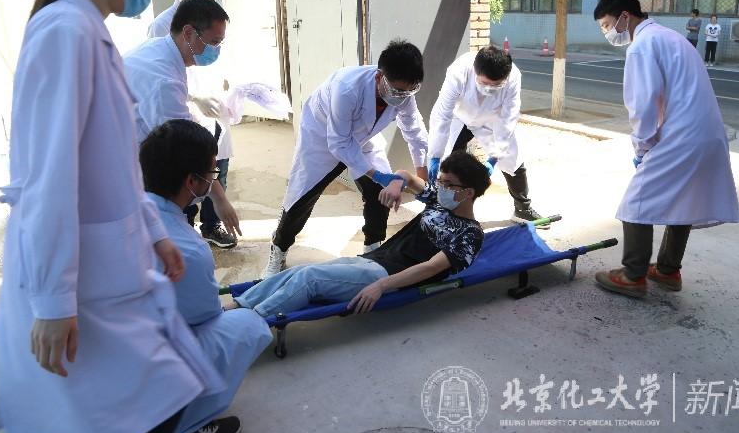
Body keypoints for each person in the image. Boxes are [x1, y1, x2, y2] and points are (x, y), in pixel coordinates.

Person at [0, 0, 225, 433]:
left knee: (152, 403)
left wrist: (154, 232)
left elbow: (118, 163)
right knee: (120, 417)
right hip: (79, 279)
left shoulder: (88, 34)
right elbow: (50, 175)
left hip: (108, 267)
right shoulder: (63, 32)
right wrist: (53, 301)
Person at [592, 0, 739, 298]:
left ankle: (633, 275)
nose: (607, 32)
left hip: (683, 134)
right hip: (707, 133)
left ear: (625, 17)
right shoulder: (671, 37)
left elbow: (643, 104)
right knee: (684, 199)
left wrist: (642, 147)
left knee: (636, 201)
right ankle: (668, 270)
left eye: (607, 25)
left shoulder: (641, 46)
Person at [140, 119, 272, 433]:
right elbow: (206, 315)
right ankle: (184, 428)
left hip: (101, 358)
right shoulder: (188, 250)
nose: (213, 180)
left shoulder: (118, 212)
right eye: (212, 172)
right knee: (248, 324)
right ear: (191, 181)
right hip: (148, 364)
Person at [228, 151, 488, 316]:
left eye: (447, 184)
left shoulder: (470, 235)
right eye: (439, 181)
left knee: (309, 278)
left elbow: (430, 268)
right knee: (298, 271)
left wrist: (381, 286)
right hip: (373, 260)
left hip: (386, 275)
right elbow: (406, 176)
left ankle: (250, 319)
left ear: (467, 193)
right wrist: (396, 185)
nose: (439, 187)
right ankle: (238, 305)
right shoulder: (439, 201)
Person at [262, 40, 429, 278]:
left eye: (408, 92)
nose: (401, 97)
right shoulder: (346, 88)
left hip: (364, 137)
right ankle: (278, 248)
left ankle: (373, 249)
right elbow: (339, 142)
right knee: (301, 198)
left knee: (379, 194)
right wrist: (377, 174)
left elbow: (415, 132)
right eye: (396, 91)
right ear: (379, 77)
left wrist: (423, 179)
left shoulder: (403, 93)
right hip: (322, 137)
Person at [124, 0, 242, 245]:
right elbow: (185, 149)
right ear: (188, 32)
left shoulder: (160, 51)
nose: (216, 50)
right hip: (124, 165)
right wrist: (220, 198)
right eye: (213, 42)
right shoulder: (163, 79)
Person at [428, 46, 547, 226]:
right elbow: (442, 114)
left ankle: (522, 208)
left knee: (512, 160)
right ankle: (445, 211)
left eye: (496, 85)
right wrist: (435, 154)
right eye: (484, 83)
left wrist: (494, 157)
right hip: (460, 116)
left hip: (492, 119)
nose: (490, 88)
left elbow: (508, 117)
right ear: (475, 71)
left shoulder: (514, 76)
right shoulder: (459, 71)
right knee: (448, 164)